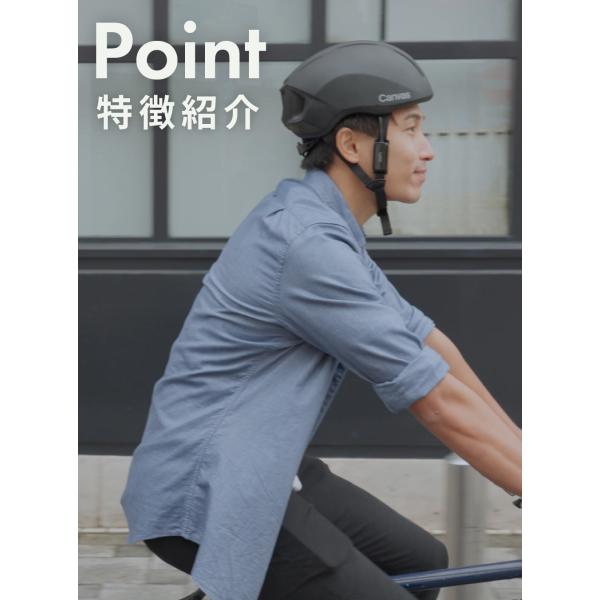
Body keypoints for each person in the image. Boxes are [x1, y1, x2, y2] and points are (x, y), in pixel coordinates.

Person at [120, 41, 522, 600]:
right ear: (352, 144)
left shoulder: (326, 227)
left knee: (420, 561)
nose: (427, 150)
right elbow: (433, 398)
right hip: (210, 483)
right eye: (410, 129)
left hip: (265, 461)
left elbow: (431, 345)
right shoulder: (306, 244)